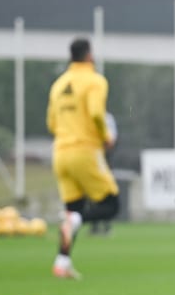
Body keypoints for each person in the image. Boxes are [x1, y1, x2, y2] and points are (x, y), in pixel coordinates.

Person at [46, 37, 121, 279]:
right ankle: (76, 223)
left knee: (72, 209)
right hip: (85, 151)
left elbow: (51, 123)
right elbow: (97, 113)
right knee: (111, 204)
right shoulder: (95, 81)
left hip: (60, 154)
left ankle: (62, 261)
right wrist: (106, 136)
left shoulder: (59, 84)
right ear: (89, 55)